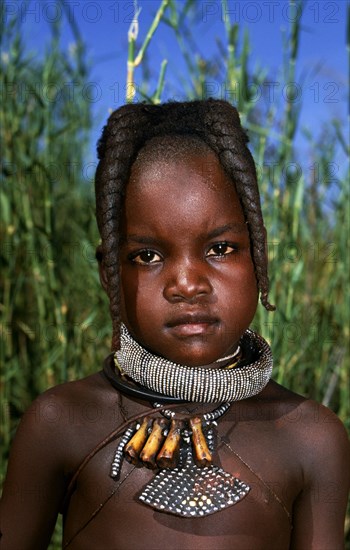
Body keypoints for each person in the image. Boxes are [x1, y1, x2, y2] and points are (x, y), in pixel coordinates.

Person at [1, 99, 349, 549]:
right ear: (110, 274)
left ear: (258, 258)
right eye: (147, 256)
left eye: (220, 249)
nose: (187, 284)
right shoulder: (63, 422)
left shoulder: (310, 437)